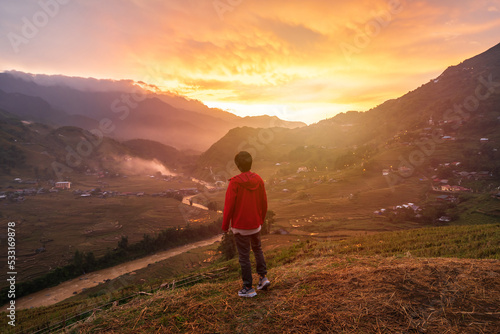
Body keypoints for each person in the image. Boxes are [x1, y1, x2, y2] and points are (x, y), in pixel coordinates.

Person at [222, 151, 271, 297]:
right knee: (258, 250)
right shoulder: (259, 179)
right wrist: (260, 220)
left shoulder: (235, 182)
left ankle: (248, 288)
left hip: (240, 227)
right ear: (251, 163)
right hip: (256, 224)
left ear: (237, 165)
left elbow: (229, 206)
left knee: (244, 256)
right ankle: (263, 279)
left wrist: (225, 226)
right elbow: (264, 203)